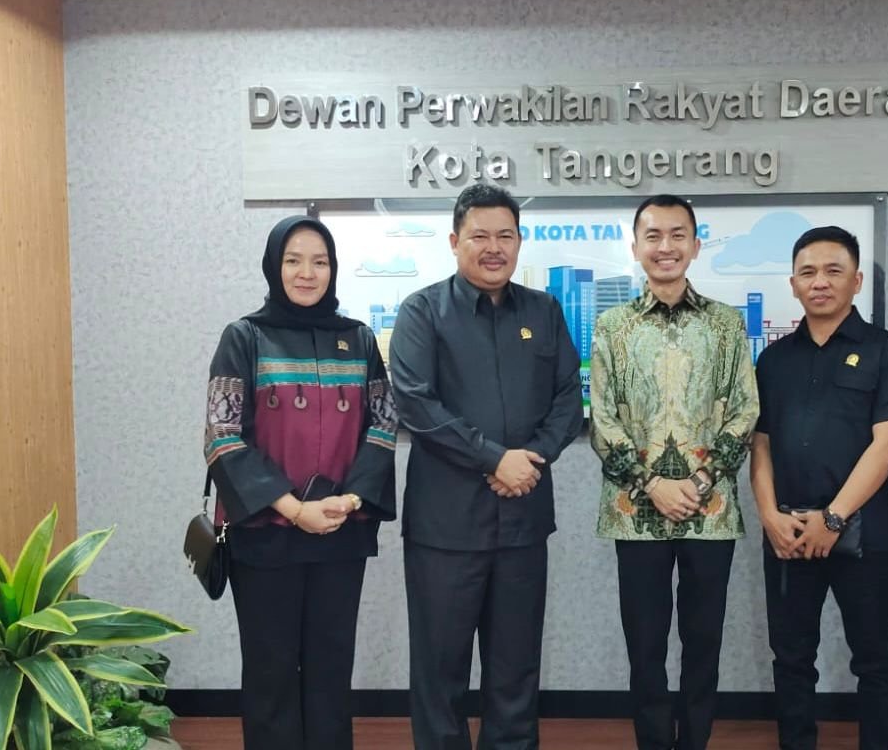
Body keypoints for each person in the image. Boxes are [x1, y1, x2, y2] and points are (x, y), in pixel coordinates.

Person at [390, 184, 584, 750]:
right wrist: (495, 458)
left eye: (505, 235)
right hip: (445, 529)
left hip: (523, 522)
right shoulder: (422, 311)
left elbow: (568, 399)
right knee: (440, 672)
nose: (493, 247)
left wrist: (531, 458)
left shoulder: (544, 311)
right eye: (480, 236)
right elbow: (416, 404)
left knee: (516, 670)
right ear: (455, 242)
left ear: (520, 242)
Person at [203, 215, 397, 750]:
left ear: (333, 269)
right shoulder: (244, 337)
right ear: (274, 266)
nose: (307, 273)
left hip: (341, 531)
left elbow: (383, 424)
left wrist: (348, 500)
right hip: (265, 535)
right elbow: (221, 434)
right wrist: (293, 508)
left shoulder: (358, 339)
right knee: (270, 673)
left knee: (331, 672)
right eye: (293, 260)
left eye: (319, 261)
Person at [590, 194, 760, 750]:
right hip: (635, 513)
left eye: (677, 235)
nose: (666, 247)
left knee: (703, 642)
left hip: (710, 513)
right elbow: (602, 419)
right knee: (645, 646)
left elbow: (745, 411)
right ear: (636, 246)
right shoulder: (613, 326)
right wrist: (652, 485)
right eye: (654, 236)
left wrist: (700, 483)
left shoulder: (726, 324)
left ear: (695, 244)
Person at [751, 226, 888, 750]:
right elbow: (761, 445)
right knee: (791, 659)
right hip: (788, 533)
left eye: (833, 270)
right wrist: (769, 516)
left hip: (864, 535)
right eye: (807, 272)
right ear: (793, 284)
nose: (819, 281)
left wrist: (834, 517)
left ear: (857, 280)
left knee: (874, 659)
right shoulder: (773, 359)